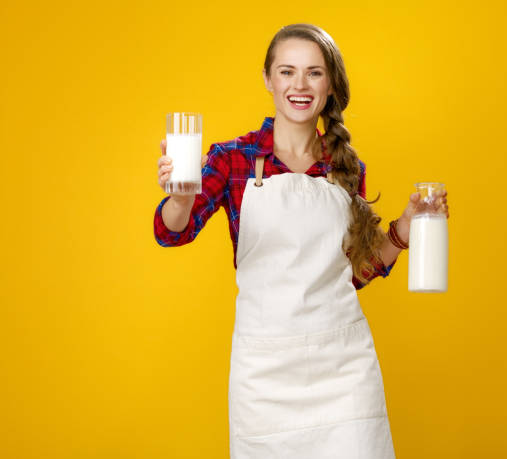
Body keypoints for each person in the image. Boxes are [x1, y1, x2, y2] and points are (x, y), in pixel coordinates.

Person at [154, 23, 449, 459]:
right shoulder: (232, 159)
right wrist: (180, 198)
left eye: (314, 72)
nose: (300, 84)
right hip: (265, 376)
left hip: (344, 368)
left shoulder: (345, 166)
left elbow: (355, 273)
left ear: (330, 84)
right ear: (268, 79)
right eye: (287, 71)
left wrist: (407, 224)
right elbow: (172, 231)